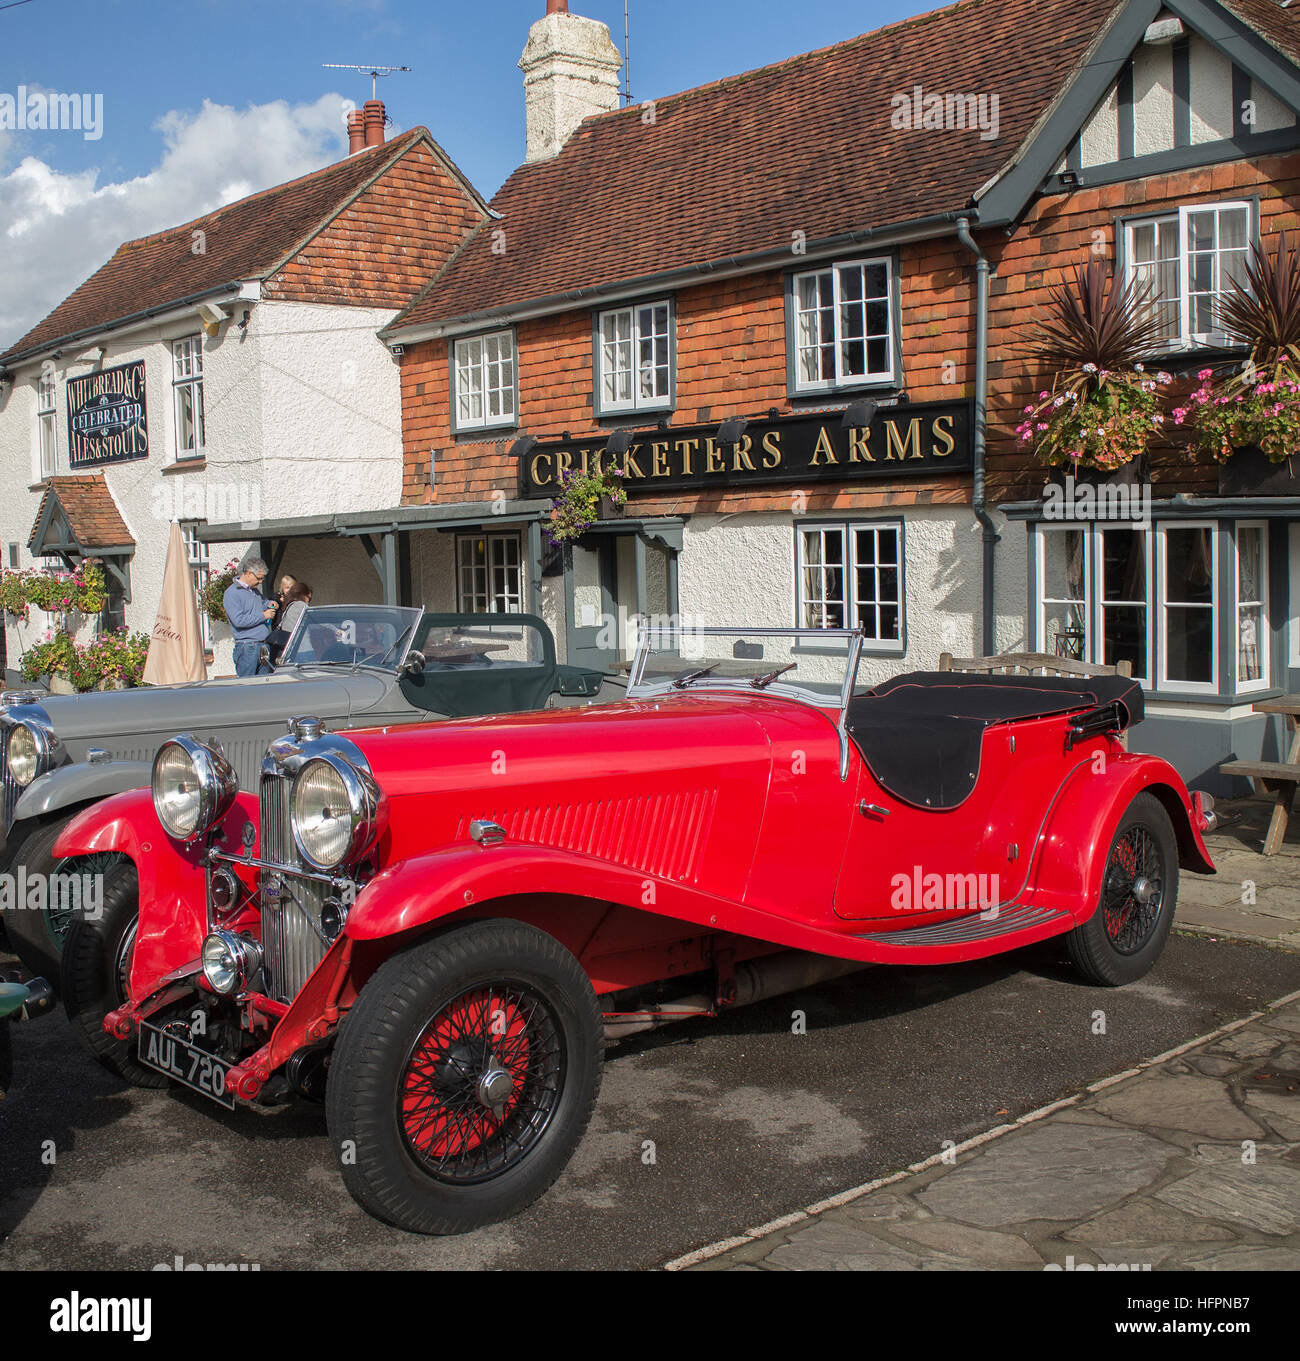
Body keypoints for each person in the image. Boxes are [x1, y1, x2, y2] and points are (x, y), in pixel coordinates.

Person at [223, 558, 276, 677]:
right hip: (247, 647)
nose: (261, 581)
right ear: (248, 573)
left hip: (262, 645)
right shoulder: (232, 593)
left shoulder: (254, 591)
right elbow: (239, 620)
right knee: (247, 688)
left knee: (263, 687)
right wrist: (263, 615)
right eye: (259, 578)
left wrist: (269, 603)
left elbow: (261, 603)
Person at [267, 580, 311, 665]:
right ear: (303, 595)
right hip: (299, 649)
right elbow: (310, 624)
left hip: (286, 649)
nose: (308, 601)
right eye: (308, 598)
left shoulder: (289, 605)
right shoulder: (301, 605)